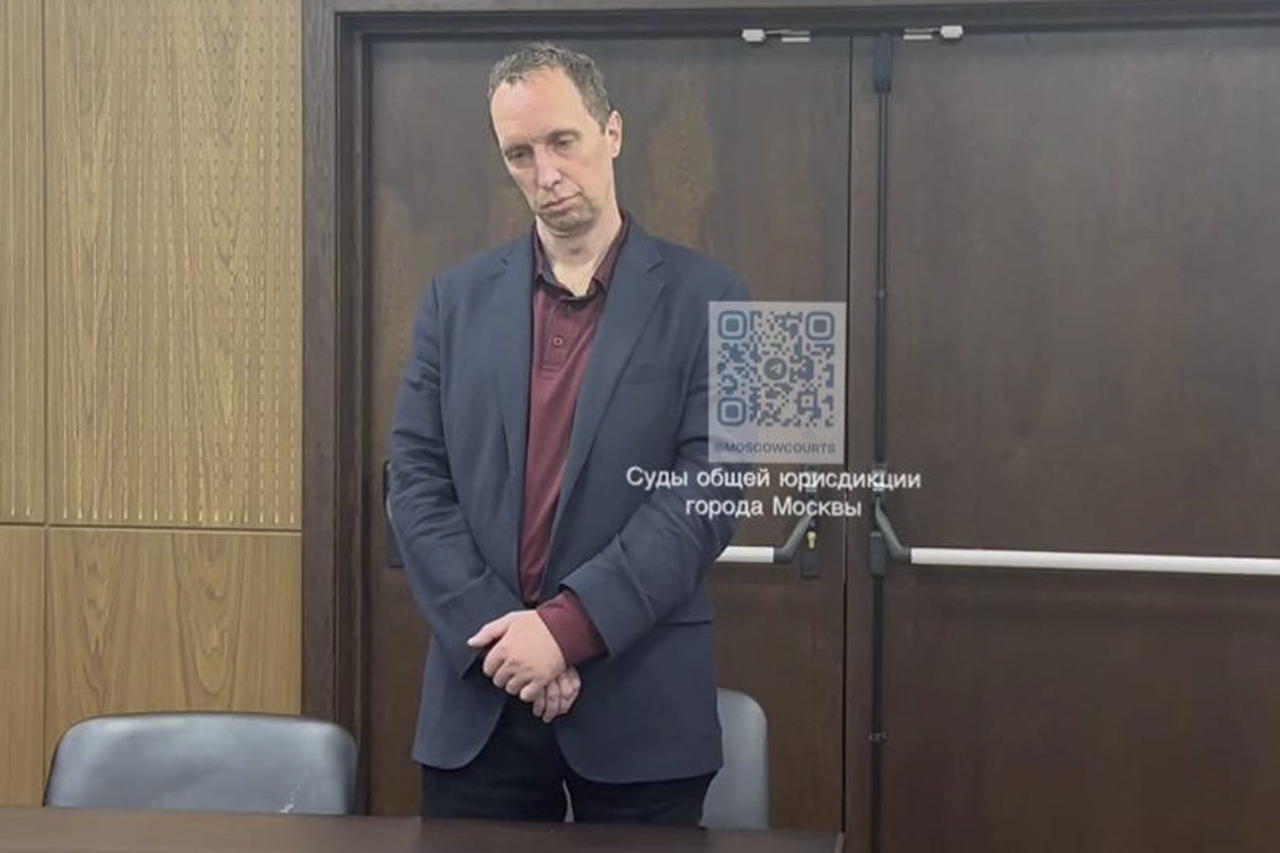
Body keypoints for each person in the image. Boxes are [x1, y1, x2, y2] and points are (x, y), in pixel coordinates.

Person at [388, 42, 749, 826]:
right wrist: (510, 644)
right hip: (481, 699)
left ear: (611, 132)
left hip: (639, 701)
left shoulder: (719, 297)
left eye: (562, 142)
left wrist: (566, 629)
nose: (545, 174)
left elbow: (711, 491)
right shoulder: (451, 301)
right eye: (519, 154)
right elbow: (414, 484)